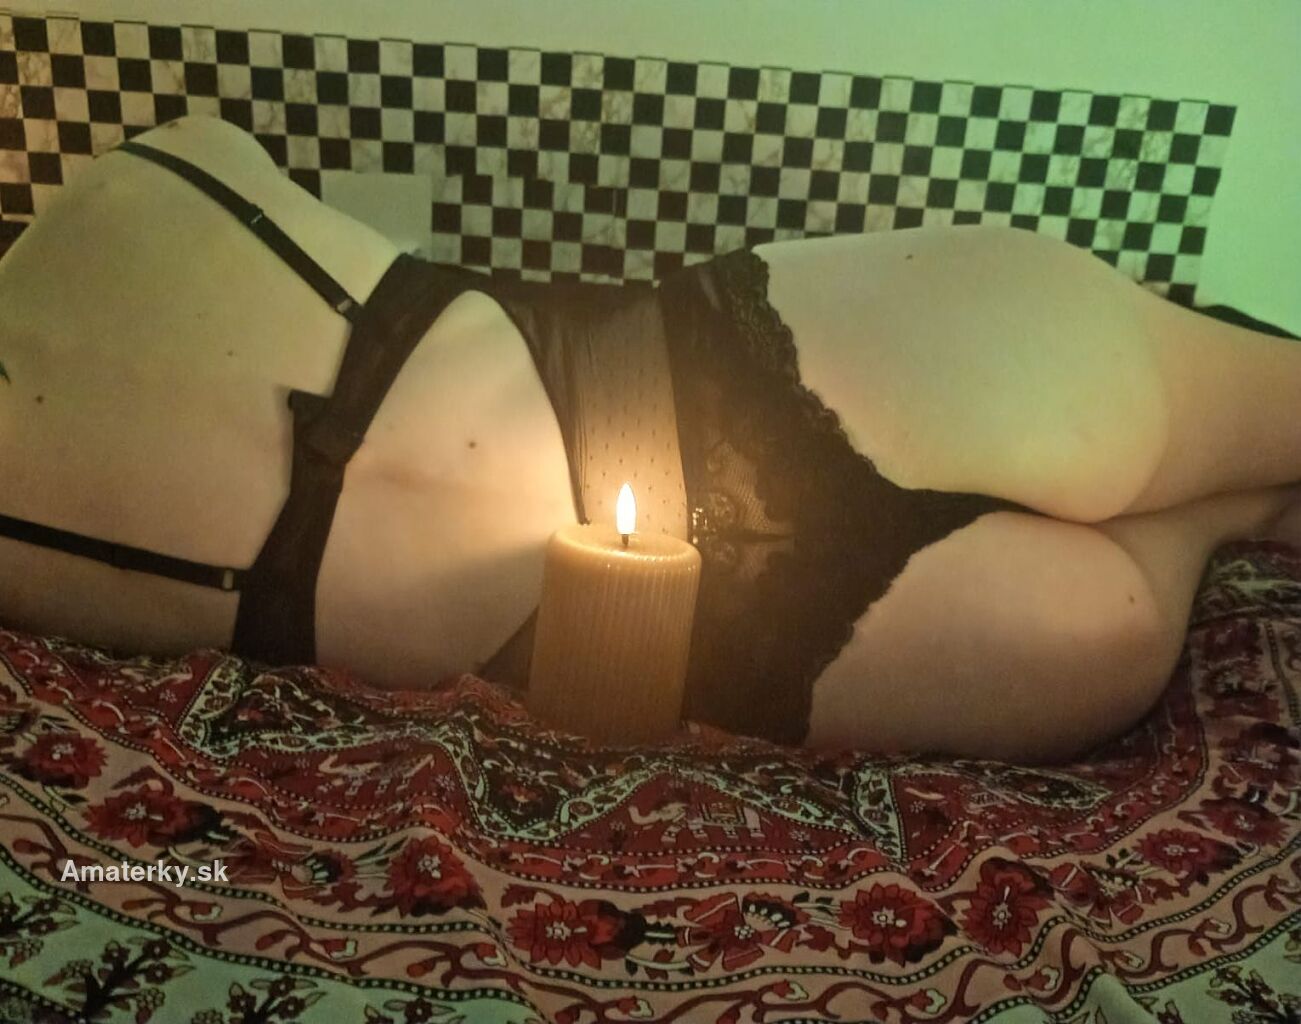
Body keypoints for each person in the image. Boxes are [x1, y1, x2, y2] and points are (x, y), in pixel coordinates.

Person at [1, 115, 1297, 762]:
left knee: (1151, 564)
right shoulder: (145, 176)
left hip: (719, 604)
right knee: (1167, 567)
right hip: (768, 413)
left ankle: (1236, 505)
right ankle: (1239, 508)